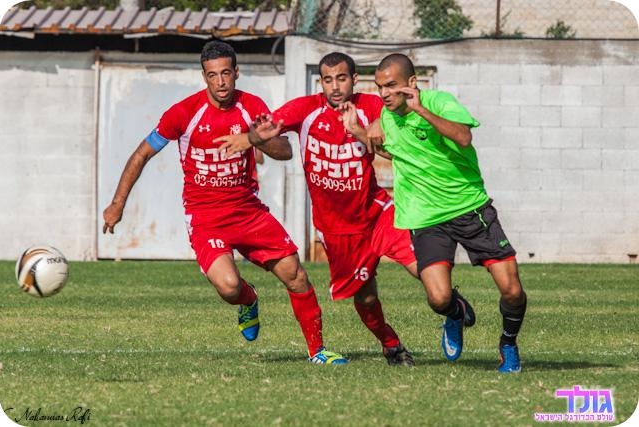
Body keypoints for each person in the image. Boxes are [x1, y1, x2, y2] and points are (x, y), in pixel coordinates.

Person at [102, 41, 347, 365]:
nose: (221, 82)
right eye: (213, 75)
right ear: (204, 76)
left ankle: (317, 351)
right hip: (206, 218)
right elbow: (142, 154)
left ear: (236, 72)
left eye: (226, 73)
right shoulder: (184, 113)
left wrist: (257, 138)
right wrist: (118, 203)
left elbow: (286, 151)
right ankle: (249, 299)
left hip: (249, 212)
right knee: (229, 287)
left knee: (296, 275)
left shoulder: (251, 106)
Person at [223, 52, 431, 366]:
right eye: (328, 79)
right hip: (337, 230)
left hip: (376, 212)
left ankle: (450, 307)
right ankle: (391, 346)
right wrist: (253, 137)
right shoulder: (306, 109)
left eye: (342, 78)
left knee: (423, 267)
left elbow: (400, 113)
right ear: (321, 82)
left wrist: (379, 121)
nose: (335, 86)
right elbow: (272, 130)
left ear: (354, 80)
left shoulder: (371, 105)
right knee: (366, 298)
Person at [372, 53, 527, 373]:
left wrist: (420, 109)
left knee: (512, 291)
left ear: (411, 83)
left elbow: (463, 137)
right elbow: (399, 151)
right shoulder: (386, 116)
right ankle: (456, 314)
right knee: (439, 299)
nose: (384, 93)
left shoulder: (439, 102)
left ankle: (508, 344)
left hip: (470, 208)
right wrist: (366, 132)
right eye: (380, 87)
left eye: (391, 85)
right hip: (426, 218)